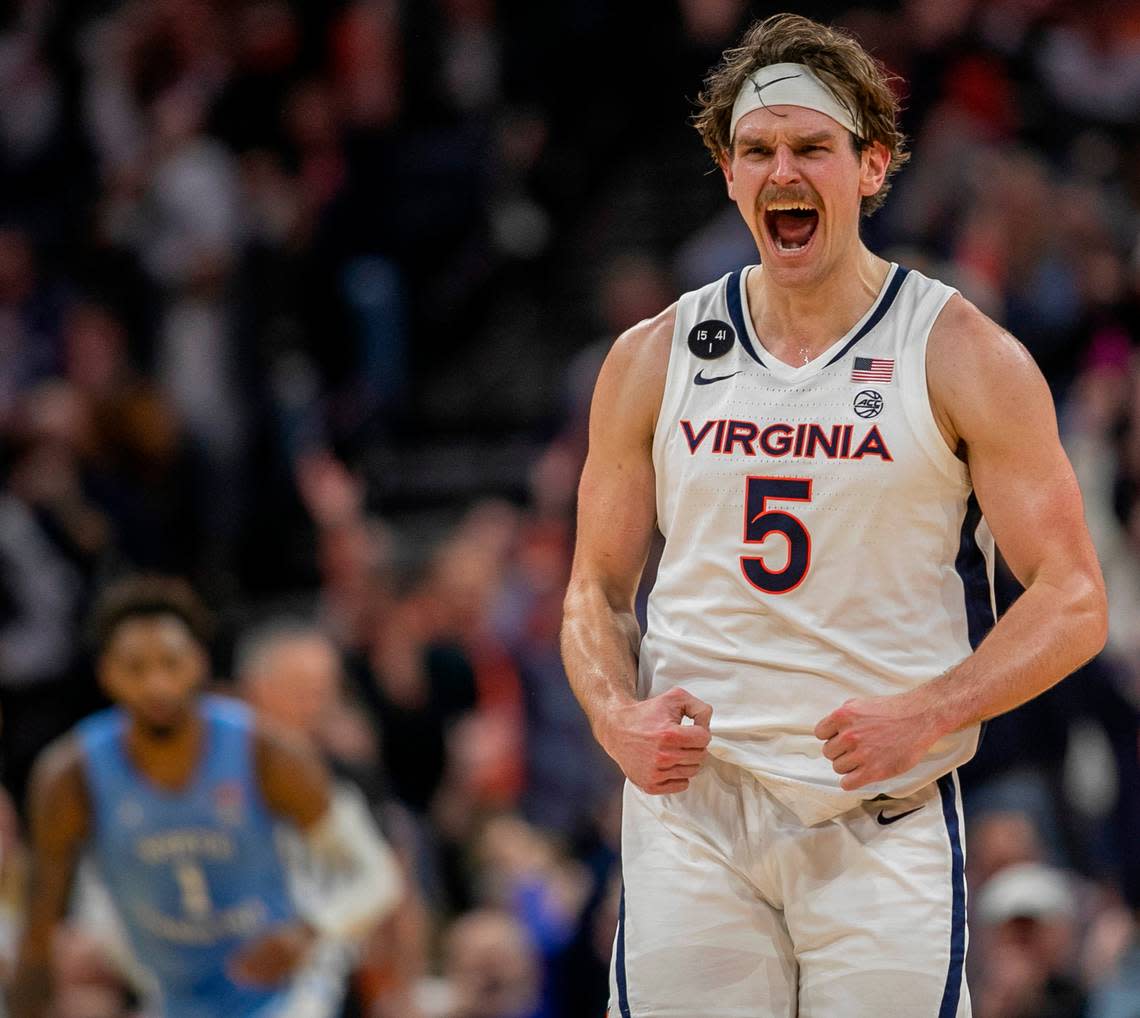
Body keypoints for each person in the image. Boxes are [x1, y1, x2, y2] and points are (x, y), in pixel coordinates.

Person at [560, 12, 1108, 1018]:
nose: (783, 172)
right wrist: (613, 712)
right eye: (758, 151)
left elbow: (1074, 599)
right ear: (728, 173)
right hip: (697, 813)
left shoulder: (960, 352)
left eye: (812, 148)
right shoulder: (653, 355)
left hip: (879, 809)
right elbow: (594, 588)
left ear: (873, 166)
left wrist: (935, 709)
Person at [7, 576, 402, 1018]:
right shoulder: (69, 777)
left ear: (198, 662)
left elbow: (375, 873)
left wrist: (308, 933)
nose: (156, 685)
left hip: (289, 992)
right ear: (107, 674)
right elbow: (40, 929)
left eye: (170, 663)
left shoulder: (267, 751)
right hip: (171, 996)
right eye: (136, 668)